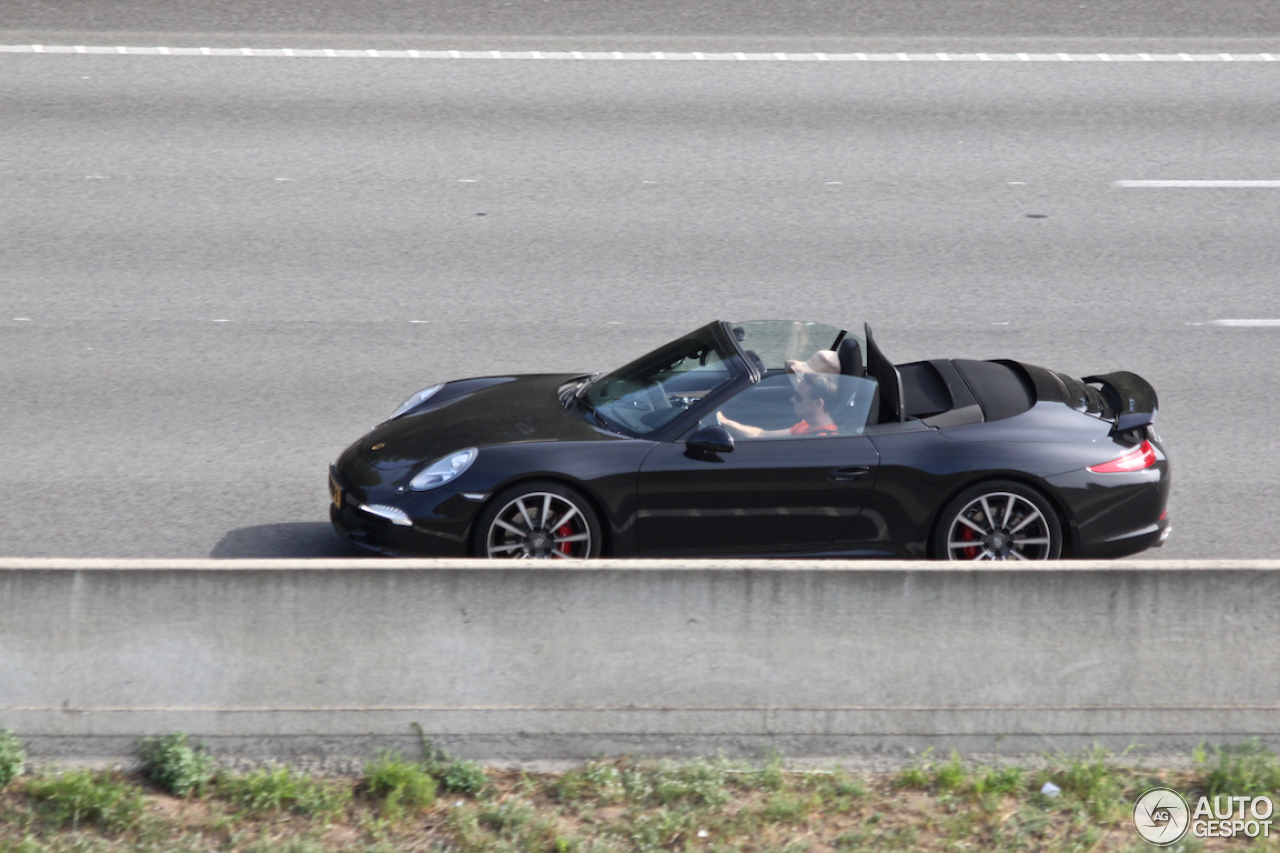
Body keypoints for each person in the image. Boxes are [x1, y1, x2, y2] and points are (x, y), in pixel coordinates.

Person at [716, 370, 841, 439]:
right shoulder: (807, 425)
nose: (792, 400)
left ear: (817, 404)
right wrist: (726, 424)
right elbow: (762, 435)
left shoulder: (823, 439)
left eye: (798, 397)